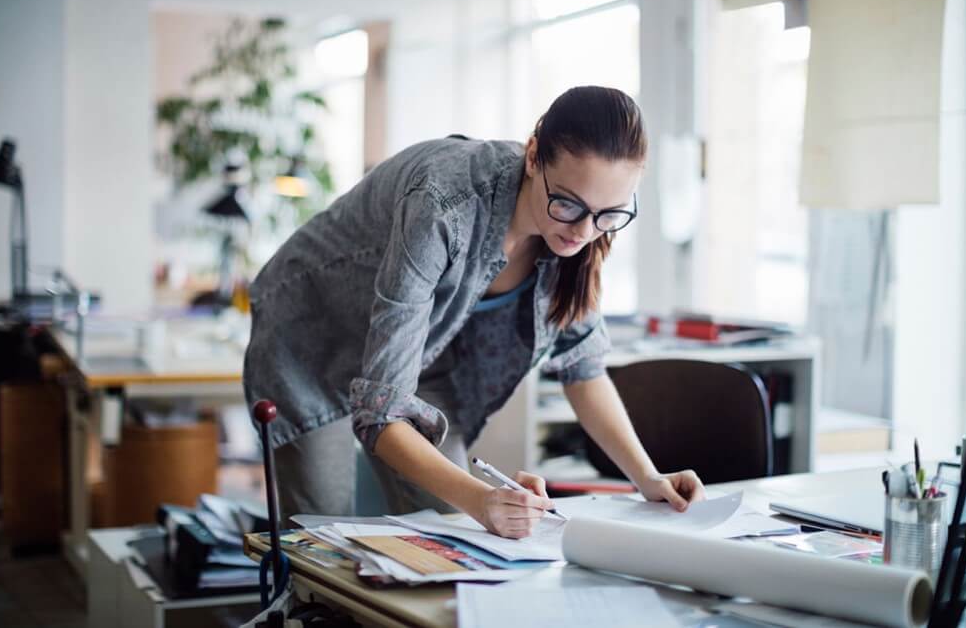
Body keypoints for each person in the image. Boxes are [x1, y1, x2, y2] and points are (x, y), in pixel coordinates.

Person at [244, 85, 705, 538]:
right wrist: (481, 500)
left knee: (457, 528)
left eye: (609, 214)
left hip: (424, 350)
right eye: (567, 203)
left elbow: (582, 367)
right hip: (312, 343)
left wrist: (647, 478)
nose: (584, 230)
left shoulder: (589, 219)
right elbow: (380, 415)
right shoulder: (443, 205)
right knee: (323, 540)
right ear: (532, 157)